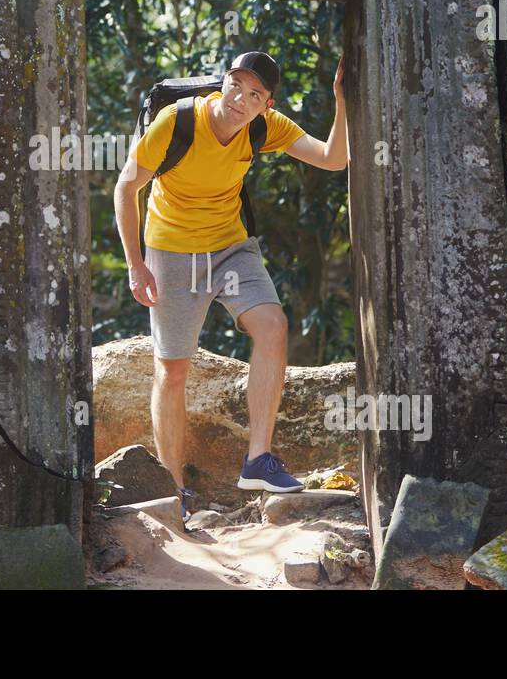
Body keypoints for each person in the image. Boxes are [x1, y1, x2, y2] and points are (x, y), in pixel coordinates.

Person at [113, 50, 349, 521]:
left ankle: (258, 459)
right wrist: (136, 265)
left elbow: (333, 158)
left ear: (267, 104)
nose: (240, 99)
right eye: (236, 85)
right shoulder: (176, 122)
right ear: (224, 82)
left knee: (273, 326)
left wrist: (342, 98)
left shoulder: (267, 126)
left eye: (255, 94)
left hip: (230, 248)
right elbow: (126, 186)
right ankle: (174, 490)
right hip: (173, 250)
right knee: (173, 370)